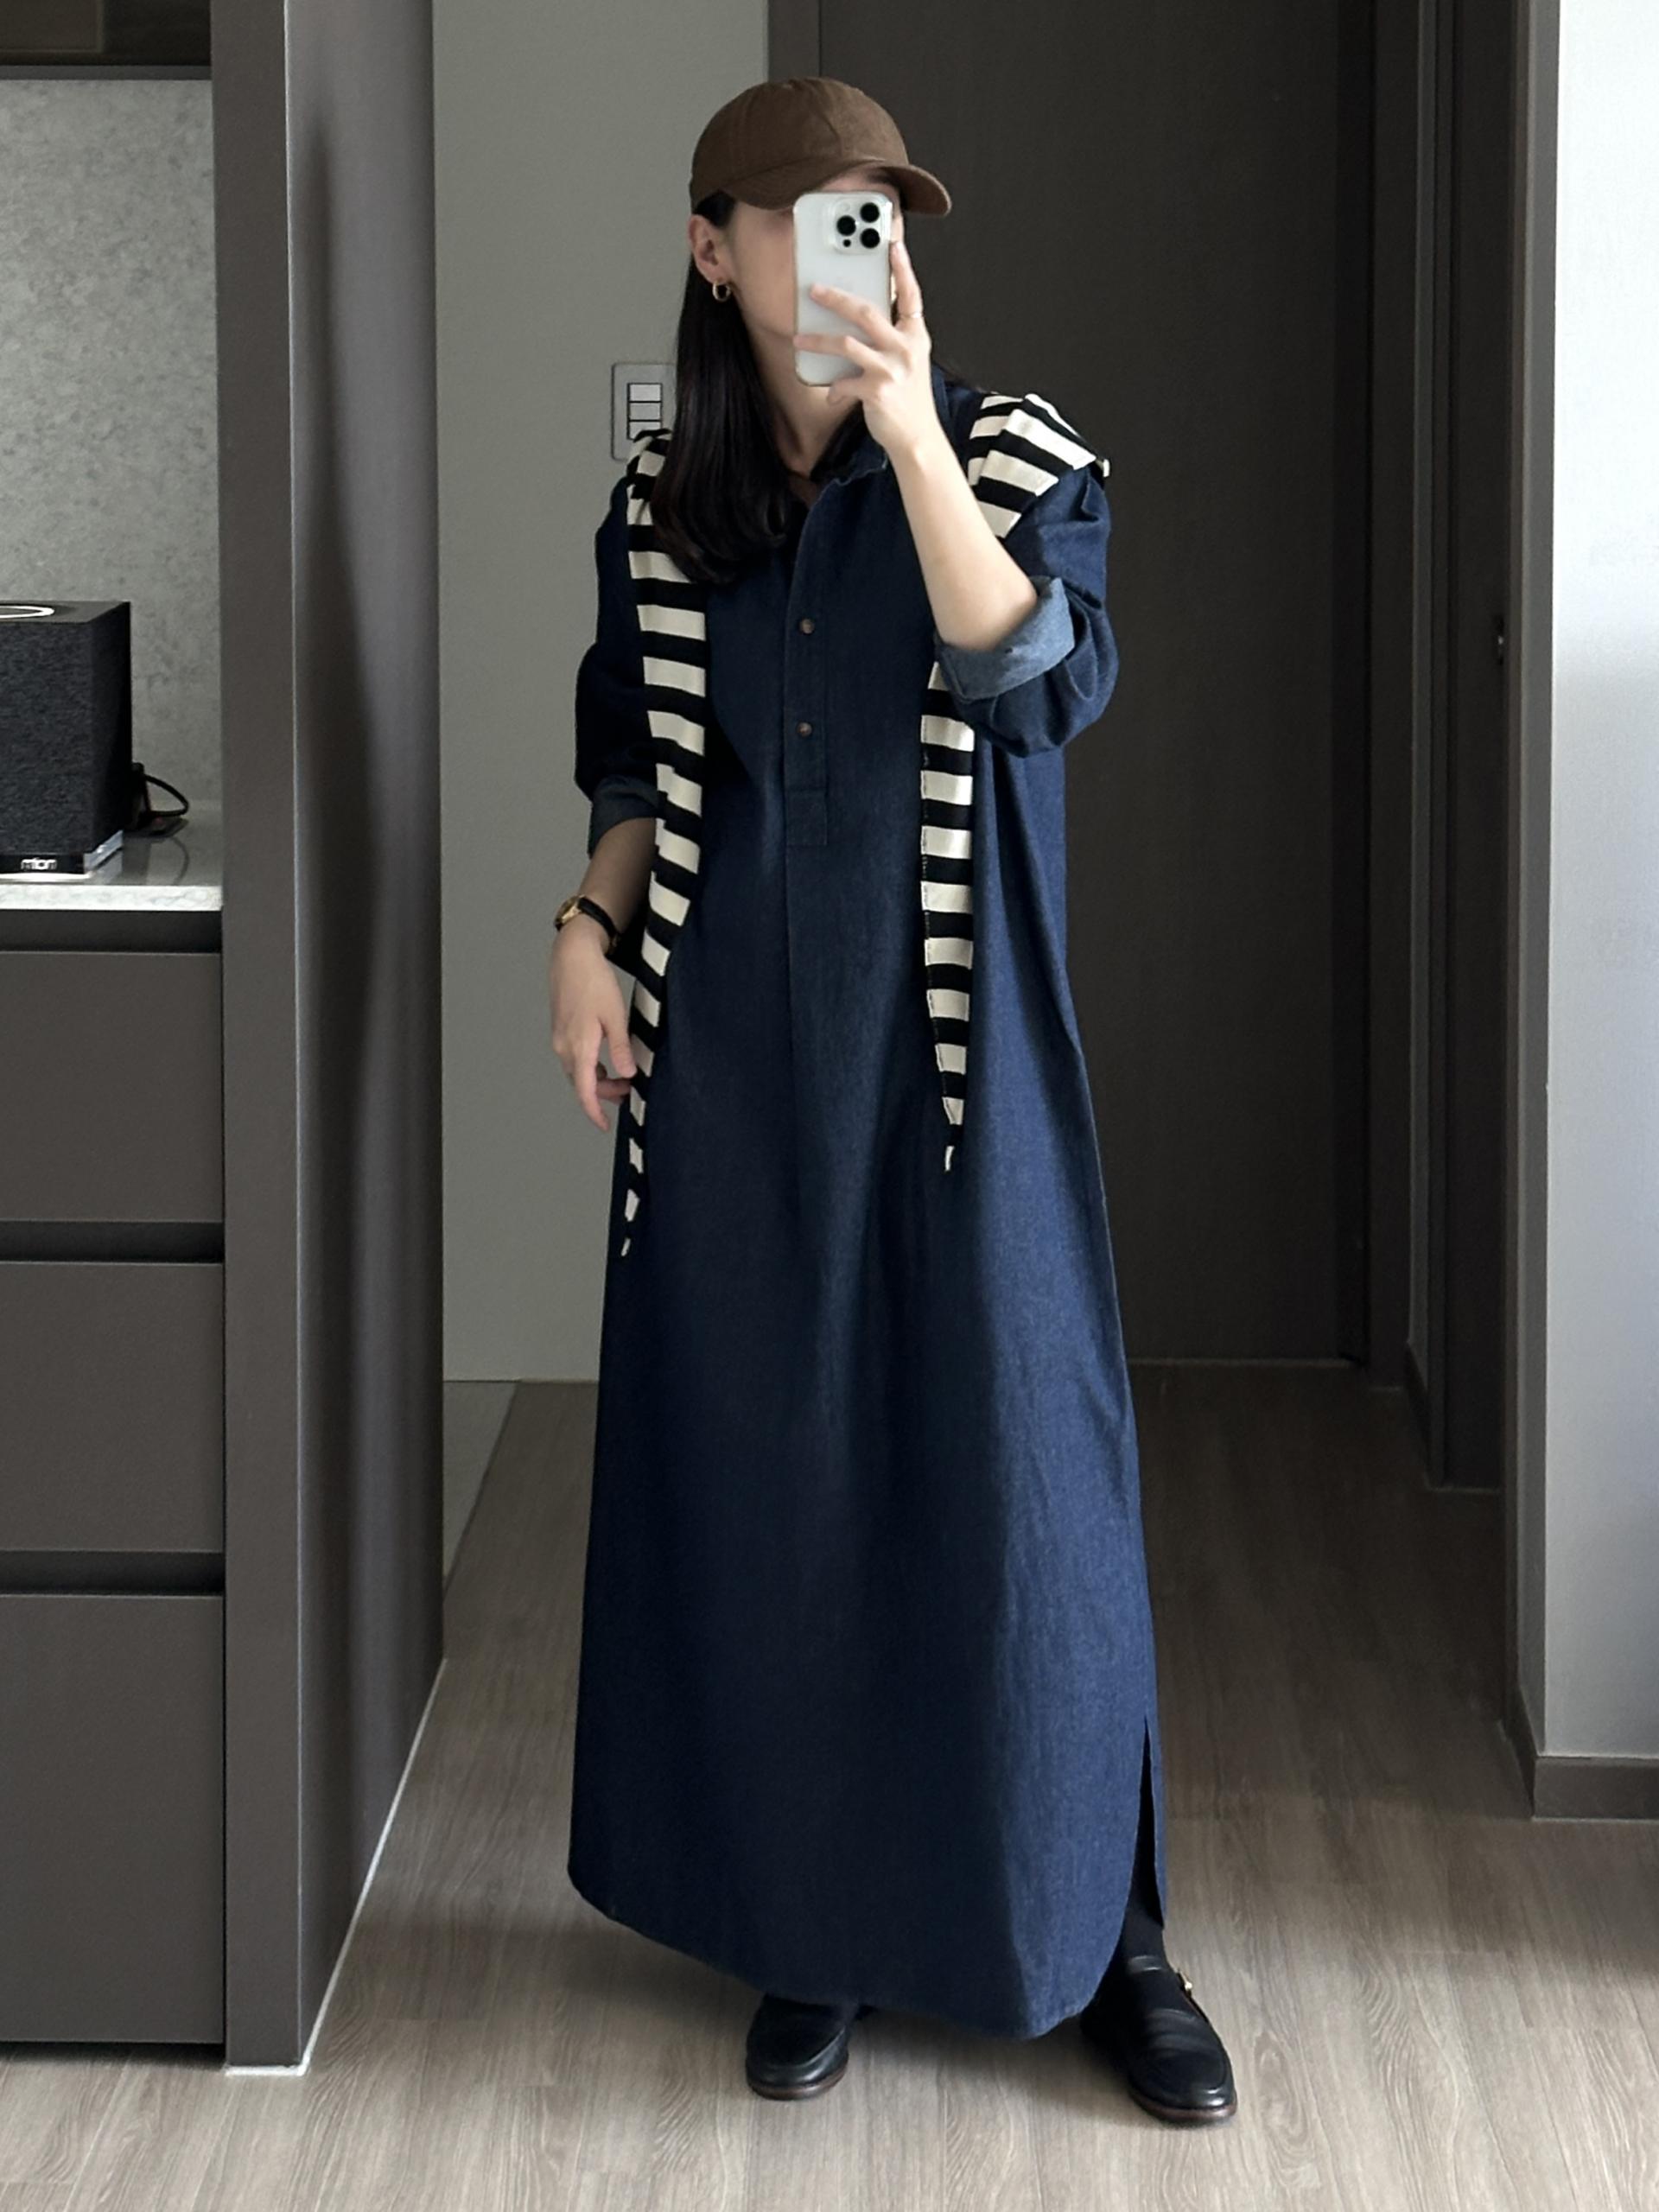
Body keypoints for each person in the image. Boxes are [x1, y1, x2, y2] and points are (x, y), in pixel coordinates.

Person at [549, 75, 1236, 2123]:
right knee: (780, 1495)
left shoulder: (1013, 455)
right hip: (732, 1073)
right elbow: (634, 761)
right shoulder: (659, 510)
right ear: (714, 250)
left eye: (882, 213)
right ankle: (813, 1921)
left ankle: (1111, 1938)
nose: (862, 246)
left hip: (955, 1067)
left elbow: (1043, 689)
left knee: (1030, 1501)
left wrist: (916, 432)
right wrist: (584, 927)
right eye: (811, 213)